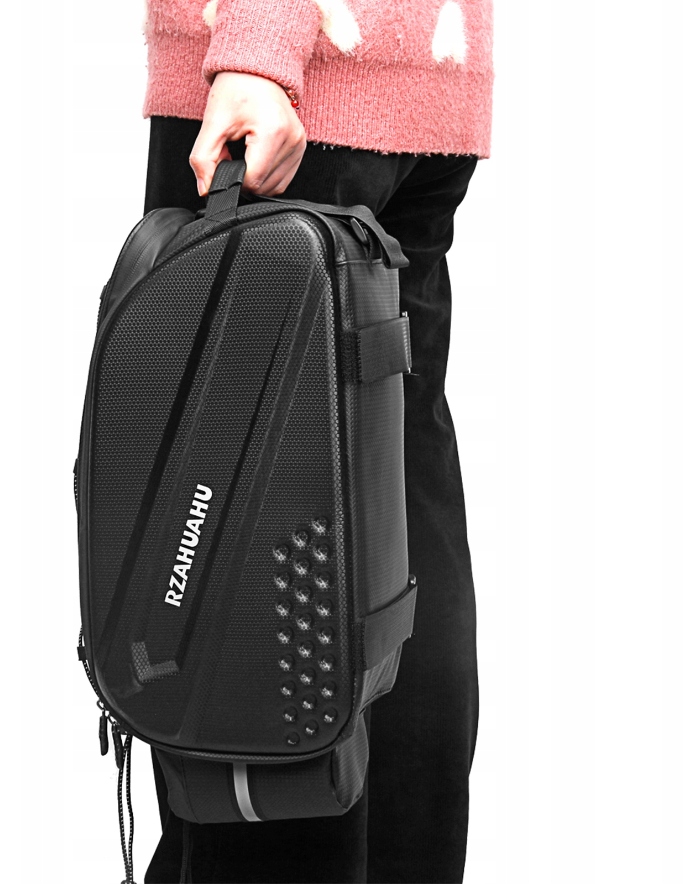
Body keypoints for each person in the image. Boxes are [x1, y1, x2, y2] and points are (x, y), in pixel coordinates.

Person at [140, 1, 493, 881]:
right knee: (392, 490)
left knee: (240, 563)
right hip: (417, 79)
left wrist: (260, 50)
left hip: (291, 85)